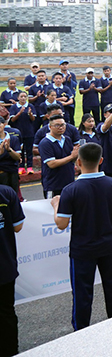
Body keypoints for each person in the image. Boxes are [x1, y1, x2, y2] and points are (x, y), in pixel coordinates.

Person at [51, 142, 112, 330]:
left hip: (82, 249)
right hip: (108, 245)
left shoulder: (70, 190)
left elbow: (61, 224)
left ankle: (81, 330)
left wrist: (55, 206)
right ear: (101, 160)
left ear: (78, 162)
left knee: (82, 293)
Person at [0, 181, 24, 357]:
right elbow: (17, 226)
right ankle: (11, 351)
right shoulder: (6, 193)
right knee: (6, 311)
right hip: (5, 265)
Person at [39, 115, 78, 198]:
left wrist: (77, 154)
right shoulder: (45, 143)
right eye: (57, 125)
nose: (61, 128)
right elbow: (51, 164)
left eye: (63, 125)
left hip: (69, 183)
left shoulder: (67, 139)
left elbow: (71, 160)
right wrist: (71, 156)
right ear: (50, 127)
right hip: (53, 185)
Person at [7, 92, 36, 175]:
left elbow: (33, 119)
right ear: (18, 98)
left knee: (29, 150)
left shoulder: (30, 106)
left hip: (29, 131)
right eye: (21, 96)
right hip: (18, 133)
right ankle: (21, 167)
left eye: (25, 96)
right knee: (21, 150)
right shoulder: (14, 107)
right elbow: (12, 120)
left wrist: (30, 114)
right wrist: (19, 113)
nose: (23, 98)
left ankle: (30, 167)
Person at [0, 118, 22, 200]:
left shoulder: (13, 139)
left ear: (4, 124)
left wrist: (9, 149)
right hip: (1, 173)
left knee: (13, 197)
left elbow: (18, 157)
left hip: (12, 172)